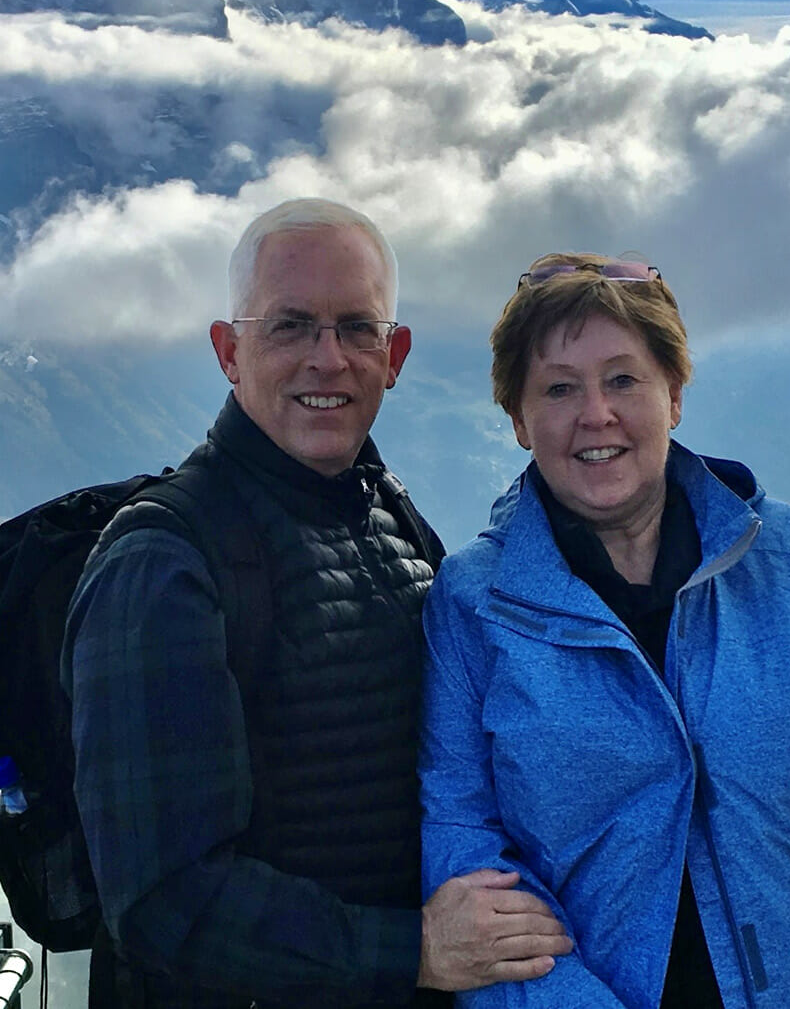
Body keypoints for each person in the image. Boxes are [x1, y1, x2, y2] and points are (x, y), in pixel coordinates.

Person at [61, 200, 571, 1009]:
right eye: (291, 326)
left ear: (394, 354)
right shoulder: (162, 563)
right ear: (230, 351)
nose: (327, 358)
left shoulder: (391, 516)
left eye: (356, 328)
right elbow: (163, 902)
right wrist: (420, 948)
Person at [420, 251, 790, 1008]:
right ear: (520, 421)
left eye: (624, 378)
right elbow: (465, 848)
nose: (596, 413)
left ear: (676, 393)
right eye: (559, 388)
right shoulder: (472, 605)